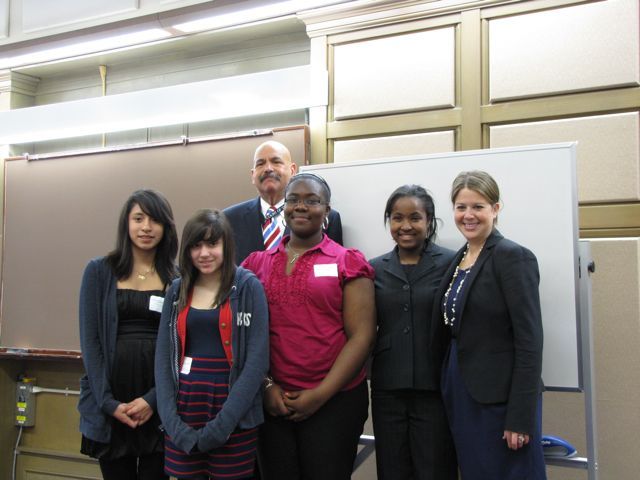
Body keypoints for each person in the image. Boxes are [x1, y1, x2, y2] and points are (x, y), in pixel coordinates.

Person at [242, 173, 375, 480]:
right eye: (293, 200)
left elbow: (362, 337)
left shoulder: (347, 262)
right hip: (272, 402)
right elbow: (244, 335)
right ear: (283, 208)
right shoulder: (255, 264)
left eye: (312, 201)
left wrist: (320, 394)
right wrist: (265, 387)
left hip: (334, 401)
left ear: (326, 211)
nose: (301, 207)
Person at [433, 170, 546, 479]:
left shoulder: (512, 257)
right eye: (460, 207)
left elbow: (529, 340)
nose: (468, 215)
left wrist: (520, 417)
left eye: (478, 207)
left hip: (500, 399)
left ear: (496, 209)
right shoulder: (459, 258)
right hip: (461, 388)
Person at [155, 209, 269, 479]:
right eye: (196, 245)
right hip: (185, 407)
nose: (203, 253)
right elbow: (163, 358)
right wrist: (172, 423)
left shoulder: (247, 286)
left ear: (226, 244)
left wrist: (223, 425)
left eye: (212, 244)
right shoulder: (177, 289)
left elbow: (257, 361)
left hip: (233, 409)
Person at [78, 189, 178, 479]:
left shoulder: (177, 278)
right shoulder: (99, 272)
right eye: (138, 218)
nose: (146, 227)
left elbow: (180, 346)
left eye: (154, 220)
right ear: (126, 223)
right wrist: (108, 403)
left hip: (158, 402)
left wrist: (153, 399)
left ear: (165, 227)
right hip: (109, 401)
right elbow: (91, 341)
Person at [369, 185, 458, 480]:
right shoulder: (374, 268)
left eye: (415, 218)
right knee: (392, 470)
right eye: (396, 218)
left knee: (435, 469)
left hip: (435, 387)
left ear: (429, 221)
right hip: (387, 389)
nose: (405, 226)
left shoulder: (450, 263)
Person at [224, 140, 343, 264]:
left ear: (292, 170)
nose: (268, 168)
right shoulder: (229, 219)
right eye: (260, 164)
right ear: (253, 175)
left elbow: (336, 270)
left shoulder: (325, 217)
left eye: (276, 162)